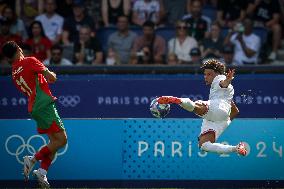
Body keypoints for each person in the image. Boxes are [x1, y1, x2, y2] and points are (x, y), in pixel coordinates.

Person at [1, 41, 67, 188]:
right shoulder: (30, 61)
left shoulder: (13, 73)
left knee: (53, 143)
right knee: (62, 140)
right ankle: (32, 159)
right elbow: (52, 78)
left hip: (34, 107)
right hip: (44, 104)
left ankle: (42, 172)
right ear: (19, 49)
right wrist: (51, 73)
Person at [157, 59, 247, 156]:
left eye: (209, 74)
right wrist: (224, 122)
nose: (206, 77)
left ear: (217, 74)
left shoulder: (218, 79)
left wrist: (227, 81)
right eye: (205, 74)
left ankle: (177, 100)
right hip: (220, 118)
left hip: (218, 109)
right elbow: (235, 111)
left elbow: (222, 83)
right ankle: (236, 148)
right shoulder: (223, 94)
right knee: (204, 145)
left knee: (197, 105)